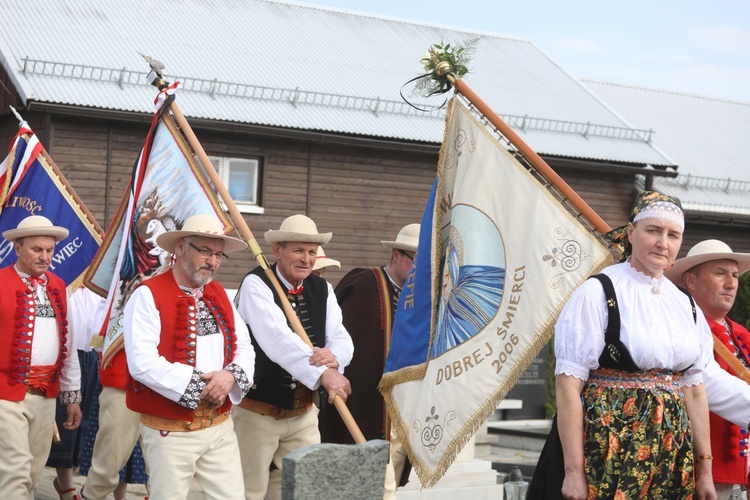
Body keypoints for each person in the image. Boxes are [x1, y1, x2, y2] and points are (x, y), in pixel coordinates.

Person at [538, 191, 717, 499]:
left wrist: (705, 472)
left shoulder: (686, 305)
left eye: (673, 234)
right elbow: (567, 387)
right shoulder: (598, 292)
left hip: (672, 452)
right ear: (631, 233)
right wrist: (573, 472)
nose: (663, 242)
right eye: (653, 230)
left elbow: (695, 390)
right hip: (609, 447)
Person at [123, 214, 255, 499]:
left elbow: (245, 346)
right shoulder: (147, 295)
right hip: (170, 430)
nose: (213, 261)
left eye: (219, 254)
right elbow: (142, 362)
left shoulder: (218, 293)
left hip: (219, 425)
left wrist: (229, 376)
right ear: (180, 247)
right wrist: (204, 386)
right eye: (205, 251)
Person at [233, 214, 354, 500]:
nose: (307, 259)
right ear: (278, 251)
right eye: (298, 250)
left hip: (303, 413)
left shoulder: (322, 288)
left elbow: (341, 336)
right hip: (258, 412)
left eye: (312, 252)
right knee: (248, 492)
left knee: (308, 489)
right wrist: (324, 373)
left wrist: (333, 357)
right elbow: (278, 340)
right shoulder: (256, 284)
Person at [319, 223, 419, 498]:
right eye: (415, 260)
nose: (421, 270)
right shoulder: (364, 284)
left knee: (393, 479)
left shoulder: (423, 300)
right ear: (396, 255)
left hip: (402, 411)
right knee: (365, 483)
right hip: (364, 404)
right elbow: (333, 338)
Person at [0, 215, 82, 496]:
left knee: (34, 470)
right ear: (17, 248)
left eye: (49, 250)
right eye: (37, 249)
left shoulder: (58, 286)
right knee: (15, 468)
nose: (45, 256)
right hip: (5, 393)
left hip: (46, 394)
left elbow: (67, 345)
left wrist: (72, 396)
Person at [665, 239, 750, 500]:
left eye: (734, 275)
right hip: (701, 467)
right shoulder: (681, 328)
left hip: (742, 466)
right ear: (691, 281)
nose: (731, 283)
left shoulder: (742, 334)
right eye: (720, 273)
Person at [47, 287, 104, 500]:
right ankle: (67, 486)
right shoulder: (66, 285)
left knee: (84, 421)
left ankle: (68, 477)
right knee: (66, 419)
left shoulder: (96, 288)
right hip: (66, 356)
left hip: (91, 356)